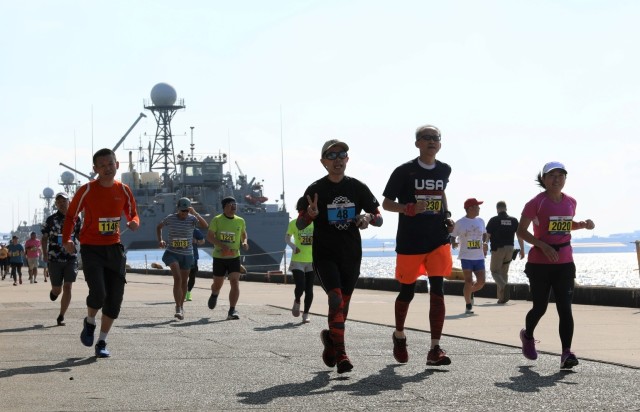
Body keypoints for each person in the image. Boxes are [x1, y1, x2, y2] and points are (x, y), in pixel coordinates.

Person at [298, 139, 383, 374]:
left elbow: (379, 217)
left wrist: (367, 218)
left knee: (342, 305)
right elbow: (300, 222)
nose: (338, 159)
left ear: (348, 159)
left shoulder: (357, 187)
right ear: (323, 162)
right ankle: (343, 353)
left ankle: (331, 342)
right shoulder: (315, 190)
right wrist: (310, 215)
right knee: (335, 298)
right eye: (332, 155)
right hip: (325, 254)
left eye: (342, 154)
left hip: (351, 254)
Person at [382, 124, 455, 367]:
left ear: (440, 144)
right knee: (407, 292)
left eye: (435, 138)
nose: (431, 141)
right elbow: (386, 203)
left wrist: (446, 216)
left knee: (438, 290)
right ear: (417, 143)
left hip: (437, 239)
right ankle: (399, 335)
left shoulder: (444, 169)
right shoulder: (404, 171)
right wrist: (407, 208)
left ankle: (435, 349)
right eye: (426, 138)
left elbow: (441, 192)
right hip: (411, 241)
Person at [516, 161, 595, 370]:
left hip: (565, 262)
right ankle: (528, 335)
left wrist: (583, 225)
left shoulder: (571, 202)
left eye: (561, 175)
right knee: (540, 307)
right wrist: (543, 246)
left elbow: (565, 224)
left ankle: (566, 353)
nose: (557, 179)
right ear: (543, 179)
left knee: (565, 309)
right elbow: (521, 231)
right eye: (552, 175)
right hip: (539, 263)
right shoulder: (536, 203)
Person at [62, 148, 140, 358]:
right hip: (91, 249)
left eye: (110, 164)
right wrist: (67, 239)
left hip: (114, 249)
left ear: (117, 165)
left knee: (114, 300)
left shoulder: (123, 190)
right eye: (102, 166)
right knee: (98, 293)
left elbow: (133, 214)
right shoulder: (87, 190)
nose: (107, 168)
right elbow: (70, 216)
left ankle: (102, 342)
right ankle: (89, 322)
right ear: (95, 169)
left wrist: (133, 222)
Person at [157, 197, 208, 320]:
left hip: (187, 254)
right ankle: (177, 307)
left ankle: (181, 306)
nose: (184, 213)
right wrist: (161, 240)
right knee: (178, 278)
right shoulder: (171, 218)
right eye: (182, 210)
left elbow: (205, 225)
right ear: (178, 209)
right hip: (172, 252)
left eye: (186, 211)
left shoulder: (192, 219)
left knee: (184, 281)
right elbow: (159, 227)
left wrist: (194, 213)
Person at [42, 192, 81, 326]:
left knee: (68, 286)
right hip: (55, 258)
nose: (61, 203)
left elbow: (80, 235)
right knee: (57, 289)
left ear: (68, 201)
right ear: (56, 204)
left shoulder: (76, 218)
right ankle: (54, 292)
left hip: (71, 257)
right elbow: (44, 237)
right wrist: (45, 253)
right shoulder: (51, 219)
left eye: (63, 201)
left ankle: (61, 316)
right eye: (58, 202)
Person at [206, 196, 248, 320]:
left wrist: (244, 242)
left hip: (234, 257)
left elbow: (243, 234)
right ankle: (214, 294)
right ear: (224, 207)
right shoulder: (217, 220)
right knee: (218, 284)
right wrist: (222, 245)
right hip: (219, 257)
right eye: (230, 204)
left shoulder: (240, 220)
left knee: (235, 281)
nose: (233, 206)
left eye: (235, 204)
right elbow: (209, 237)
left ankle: (232, 310)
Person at [451, 198, 488, 315]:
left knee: (481, 282)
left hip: (479, 256)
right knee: (468, 281)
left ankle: (469, 292)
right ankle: (468, 304)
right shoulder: (460, 222)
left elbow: (485, 234)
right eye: (477, 206)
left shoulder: (481, 221)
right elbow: (452, 236)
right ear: (470, 208)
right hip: (466, 256)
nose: (479, 209)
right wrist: (453, 243)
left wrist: (485, 242)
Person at [486, 201, 525, 304]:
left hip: (498, 249)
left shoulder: (494, 220)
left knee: (495, 271)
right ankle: (502, 298)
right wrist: (522, 249)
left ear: (497, 209)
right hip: (510, 249)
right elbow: (520, 235)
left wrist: (484, 245)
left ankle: (504, 286)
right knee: (504, 273)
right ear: (506, 208)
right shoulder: (513, 220)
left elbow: (487, 235)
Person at [285, 197, 315, 323]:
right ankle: (297, 300)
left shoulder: (315, 223)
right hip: (297, 260)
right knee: (300, 285)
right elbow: (287, 238)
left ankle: (306, 313)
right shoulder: (294, 223)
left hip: (311, 261)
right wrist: (293, 246)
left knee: (309, 289)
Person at [185, 227, 206, 302]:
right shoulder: (179, 229)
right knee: (182, 276)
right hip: (181, 256)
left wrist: (196, 241)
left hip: (193, 257)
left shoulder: (195, 230)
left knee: (192, 276)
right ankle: (182, 291)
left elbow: (203, 241)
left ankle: (188, 292)